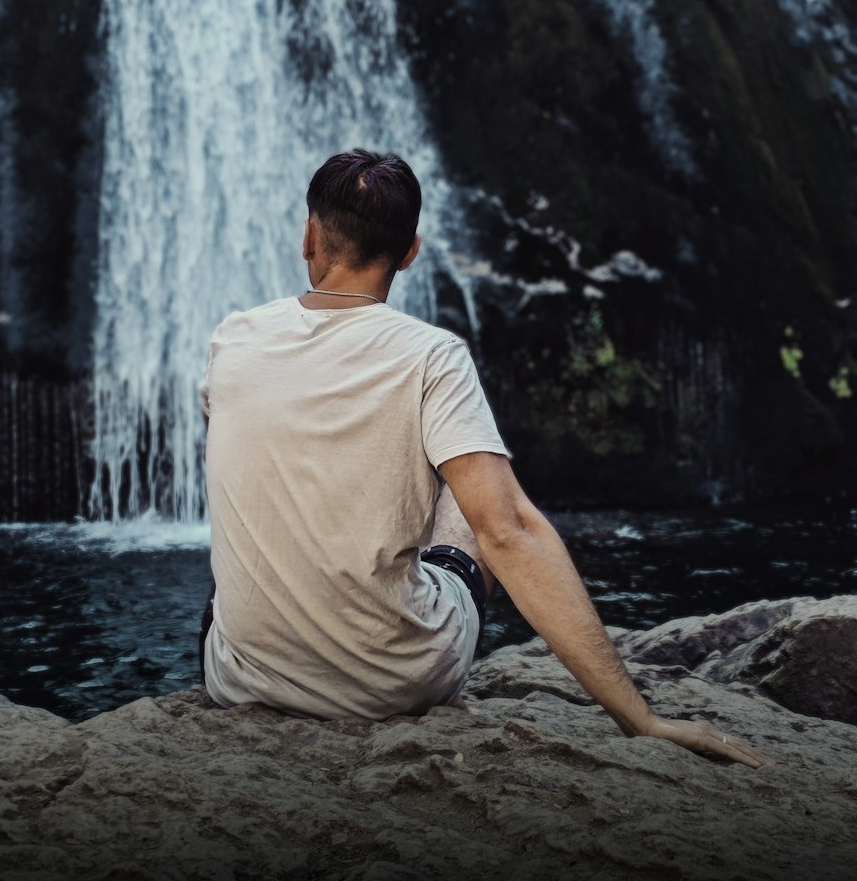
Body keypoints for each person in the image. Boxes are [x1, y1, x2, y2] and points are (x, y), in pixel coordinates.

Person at [198, 149, 770, 768]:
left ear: (308, 234)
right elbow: (510, 532)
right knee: (475, 498)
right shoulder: (431, 356)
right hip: (393, 684)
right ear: (411, 250)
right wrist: (642, 719)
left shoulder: (233, 337)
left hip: (242, 681)